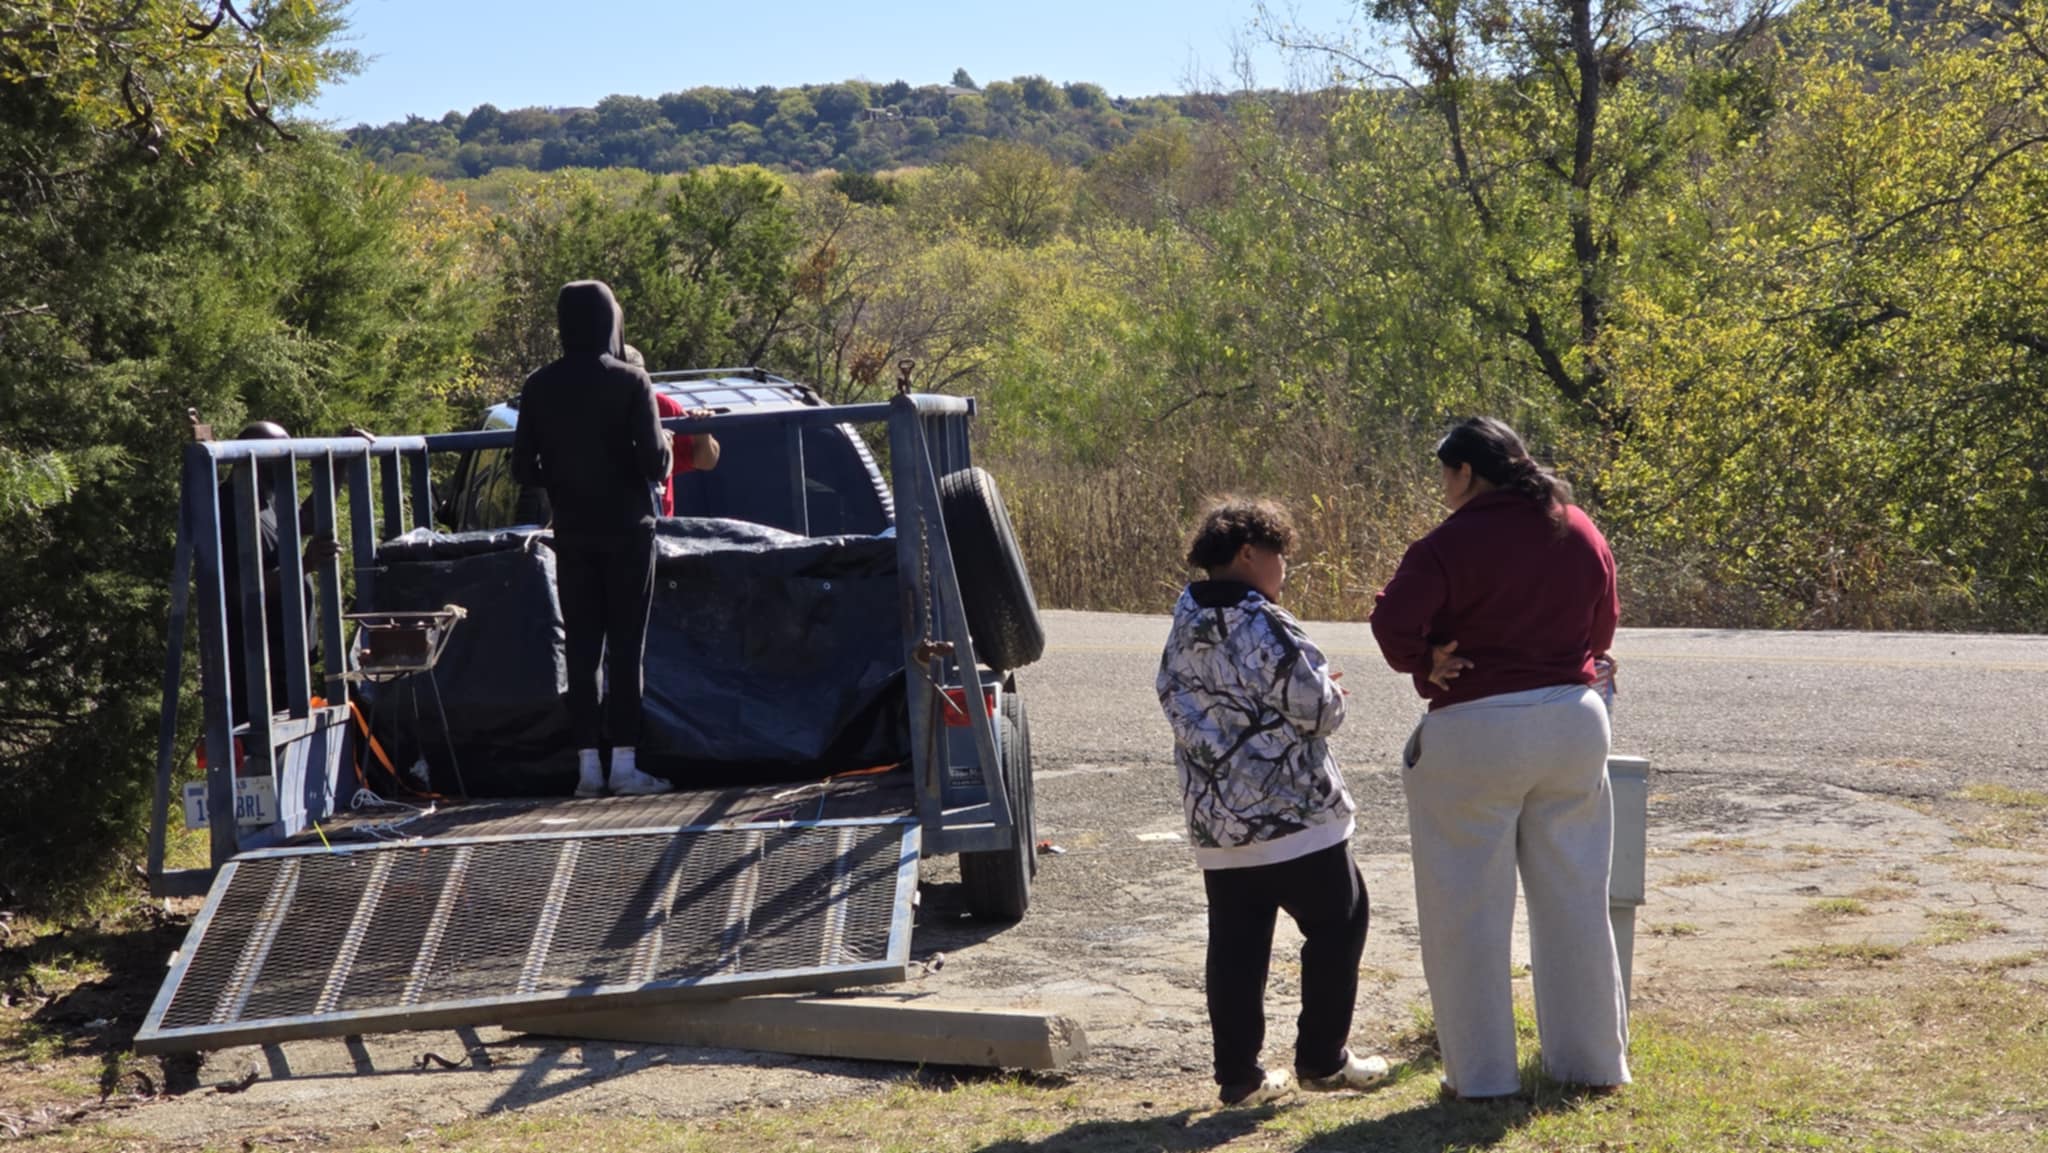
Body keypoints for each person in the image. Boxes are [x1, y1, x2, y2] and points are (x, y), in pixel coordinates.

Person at [1368, 416, 1630, 1101]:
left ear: (1465, 473)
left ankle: (1482, 1078)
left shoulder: (1448, 542)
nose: (1443, 488)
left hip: (1477, 729)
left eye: (1444, 474)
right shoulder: (1578, 527)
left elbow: (1393, 625)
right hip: (1573, 725)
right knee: (1576, 902)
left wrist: (1426, 658)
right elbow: (1602, 630)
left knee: (1467, 913)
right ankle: (1593, 1063)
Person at [1156, 498, 1393, 1108]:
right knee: (1339, 925)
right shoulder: (1265, 622)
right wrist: (1331, 691)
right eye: (1280, 553)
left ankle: (1239, 1076)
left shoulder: (1185, 618)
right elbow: (1318, 711)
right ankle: (1322, 1059)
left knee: (1235, 948)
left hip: (1219, 825)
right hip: (1294, 817)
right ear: (1249, 554)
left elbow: (1181, 698)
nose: (1285, 566)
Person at [512, 282, 674, 798]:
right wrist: (667, 444)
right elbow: (654, 461)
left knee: (582, 650)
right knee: (627, 648)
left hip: (573, 532)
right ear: (611, 320)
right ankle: (625, 766)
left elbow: (521, 469)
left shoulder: (538, 386)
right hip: (629, 530)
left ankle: (588, 770)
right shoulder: (632, 380)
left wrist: (565, 475)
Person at [214, 421, 353, 725]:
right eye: (281, 455)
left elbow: (306, 520)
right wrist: (304, 564)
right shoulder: (229, 507)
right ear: (258, 461)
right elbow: (242, 593)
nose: (289, 462)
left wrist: (340, 458)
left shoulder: (267, 496)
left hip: (288, 660)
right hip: (259, 668)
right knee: (268, 759)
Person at [619, 344, 722, 515]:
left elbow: (706, 461)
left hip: (658, 526)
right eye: (628, 380)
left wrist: (700, 427)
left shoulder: (662, 406)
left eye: (641, 380)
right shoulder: (591, 410)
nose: (636, 388)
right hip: (609, 526)